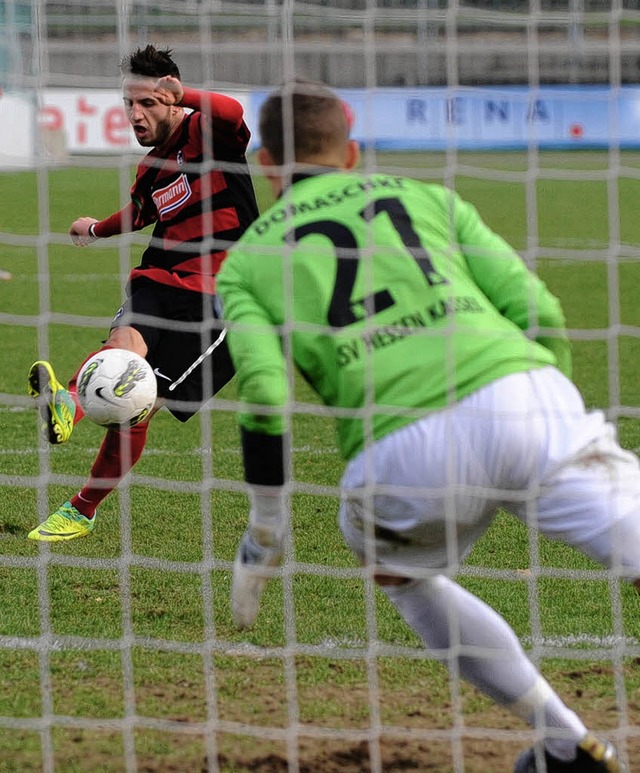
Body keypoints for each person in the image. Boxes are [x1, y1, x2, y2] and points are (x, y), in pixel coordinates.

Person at [216, 79, 633, 772]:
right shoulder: (429, 198)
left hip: (401, 452)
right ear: (350, 153)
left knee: (398, 574)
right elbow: (542, 312)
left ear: (267, 164)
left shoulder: (248, 260)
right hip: (525, 396)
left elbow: (264, 391)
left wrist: (265, 525)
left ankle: (566, 743)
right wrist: (554, 414)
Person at [27, 44, 259, 541]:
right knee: (120, 352)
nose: (135, 115)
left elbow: (235, 111)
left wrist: (186, 94)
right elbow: (140, 214)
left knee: (139, 399)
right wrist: (95, 230)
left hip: (223, 296)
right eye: (129, 105)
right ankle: (67, 401)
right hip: (160, 277)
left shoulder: (207, 131)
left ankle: (83, 508)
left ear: (174, 99)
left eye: (148, 103)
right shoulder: (151, 167)